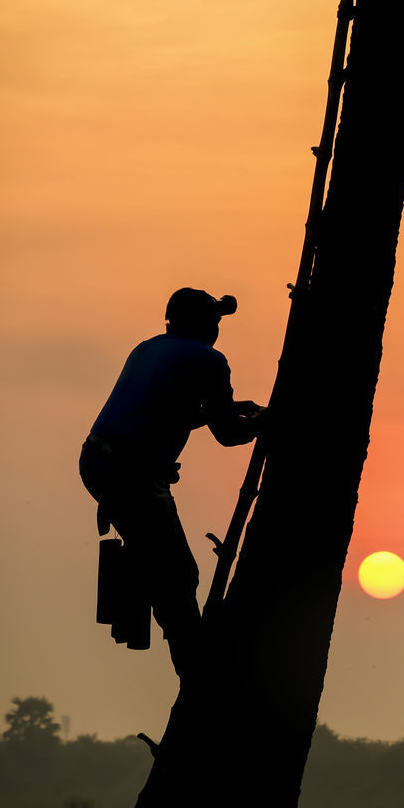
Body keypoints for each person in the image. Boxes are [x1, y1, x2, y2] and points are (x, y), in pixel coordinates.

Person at [79, 287, 266, 679]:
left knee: (157, 562)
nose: (218, 326)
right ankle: (198, 672)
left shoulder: (147, 349)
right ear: (203, 323)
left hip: (99, 461)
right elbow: (228, 434)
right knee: (178, 575)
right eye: (215, 318)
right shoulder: (209, 359)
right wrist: (265, 422)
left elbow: (166, 409)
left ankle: (188, 655)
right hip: (133, 473)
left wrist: (232, 409)